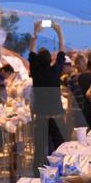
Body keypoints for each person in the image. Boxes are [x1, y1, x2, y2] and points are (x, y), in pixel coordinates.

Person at [28, 21, 67, 168]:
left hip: (41, 118)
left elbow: (31, 52)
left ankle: (38, 177)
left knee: (39, 151)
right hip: (57, 117)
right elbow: (62, 52)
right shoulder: (55, 71)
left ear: (37, 60)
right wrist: (59, 32)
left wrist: (35, 34)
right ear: (51, 60)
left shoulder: (36, 73)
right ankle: (63, 172)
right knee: (61, 148)